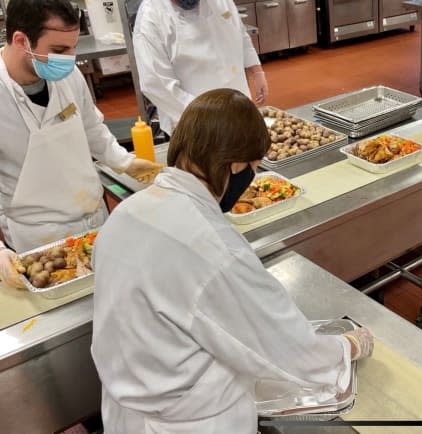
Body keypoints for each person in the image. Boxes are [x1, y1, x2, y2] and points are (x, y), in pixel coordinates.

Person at [91, 88, 373, 433]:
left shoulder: (126, 214)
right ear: (235, 164)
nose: (249, 179)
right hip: (193, 422)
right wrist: (346, 347)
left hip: (125, 412)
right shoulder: (212, 247)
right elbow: (286, 346)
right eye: (252, 168)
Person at [0, 0, 162, 287]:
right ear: (21, 40)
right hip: (40, 240)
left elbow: (91, 127)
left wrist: (123, 161)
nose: (70, 60)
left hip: (94, 217)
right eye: (60, 50)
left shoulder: (69, 76)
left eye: (73, 48)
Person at [132, 0, 269, 136]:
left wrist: (256, 71)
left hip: (239, 109)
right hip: (196, 125)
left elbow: (240, 32)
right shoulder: (151, 16)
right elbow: (156, 84)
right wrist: (209, 117)